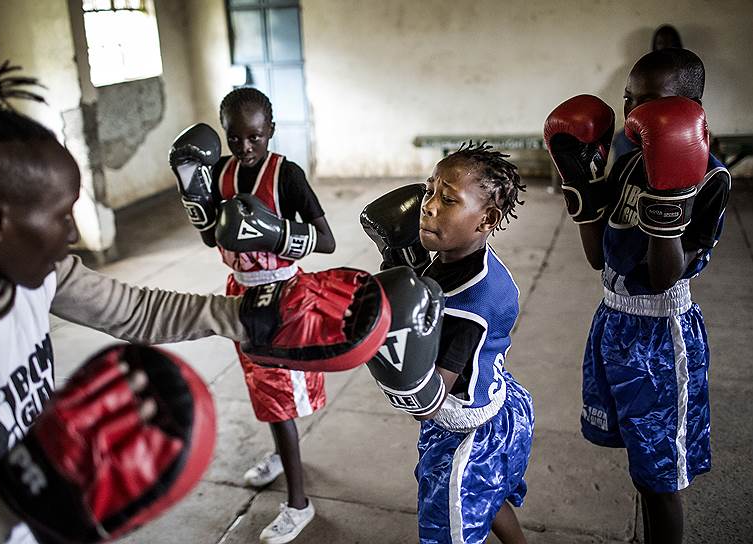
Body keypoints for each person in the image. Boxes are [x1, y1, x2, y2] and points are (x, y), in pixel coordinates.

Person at [0, 48, 375, 544]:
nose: (72, 236)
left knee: (279, 404)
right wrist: (1, 504)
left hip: (44, 528)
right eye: (61, 217)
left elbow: (135, 311)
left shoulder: (44, 276)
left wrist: (247, 314)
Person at [544, 48, 730, 544]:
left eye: (650, 104)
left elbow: (666, 275)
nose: (633, 115)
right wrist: (578, 183)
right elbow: (596, 258)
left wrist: (669, 201)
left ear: (690, 109)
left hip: (663, 335)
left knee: (660, 478)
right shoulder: (626, 158)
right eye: (629, 100)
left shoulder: (709, 177)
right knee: (637, 461)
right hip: (613, 319)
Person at [361, 143, 534, 544]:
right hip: (499, 399)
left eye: (449, 199)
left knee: (448, 526)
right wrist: (401, 264)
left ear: (486, 218)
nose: (429, 206)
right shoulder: (459, 257)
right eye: (429, 190)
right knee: (488, 498)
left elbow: (428, 401)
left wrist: (384, 342)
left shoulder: (469, 308)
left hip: (466, 433)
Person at [204, 87, 335, 544]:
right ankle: (283, 456)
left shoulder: (287, 175)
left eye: (255, 137)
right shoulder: (221, 173)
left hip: (281, 294)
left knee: (279, 397)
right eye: (235, 138)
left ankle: (299, 504)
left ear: (271, 132)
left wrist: (277, 231)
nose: (244, 147)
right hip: (239, 291)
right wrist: (192, 195)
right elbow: (212, 238)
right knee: (262, 390)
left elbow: (327, 240)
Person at [612, 24, 684, 161]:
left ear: (679, 44)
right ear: (654, 45)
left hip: (676, 128)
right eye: (661, 43)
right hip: (645, 125)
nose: (665, 47)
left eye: (671, 42)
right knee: (622, 139)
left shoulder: (685, 71)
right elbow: (632, 99)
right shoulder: (644, 70)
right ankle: (622, 180)